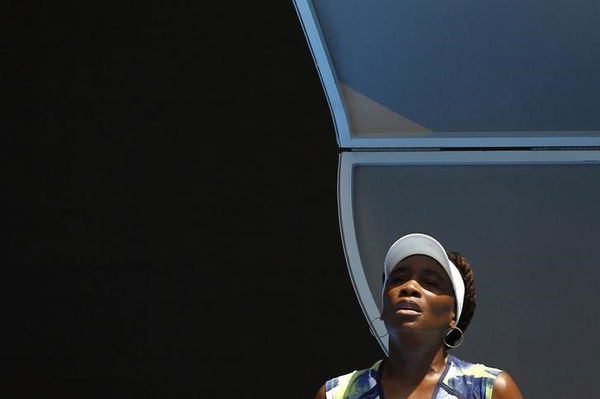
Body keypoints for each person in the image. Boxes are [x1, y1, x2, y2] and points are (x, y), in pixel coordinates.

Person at [314, 233, 524, 399]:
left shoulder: (490, 390)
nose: (410, 287)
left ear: (454, 315)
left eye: (430, 282)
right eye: (397, 279)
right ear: (383, 308)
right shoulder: (336, 394)